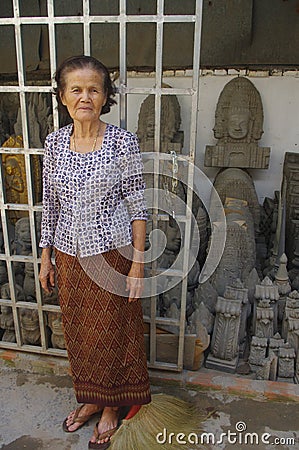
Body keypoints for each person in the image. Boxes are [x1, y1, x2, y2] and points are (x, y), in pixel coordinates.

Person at [38, 55, 151, 449]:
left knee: (115, 333)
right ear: (63, 97)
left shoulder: (122, 142)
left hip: (113, 255)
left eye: (94, 89)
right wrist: (45, 256)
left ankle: (110, 408)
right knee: (79, 331)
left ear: (105, 97)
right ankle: (89, 398)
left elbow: (138, 206)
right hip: (69, 256)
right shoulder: (53, 143)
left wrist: (137, 266)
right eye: (76, 89)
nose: (85, 96)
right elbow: (49, 204)